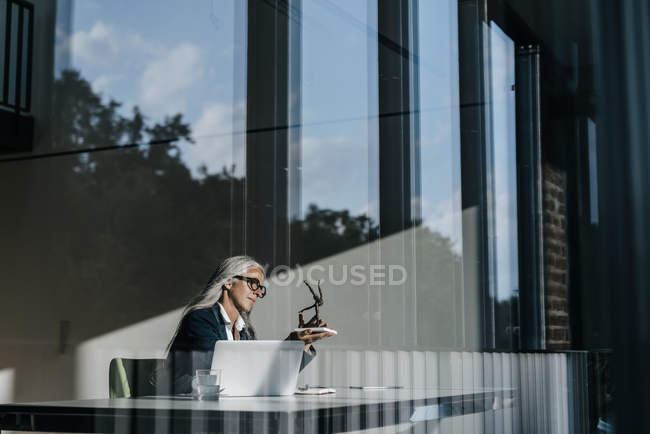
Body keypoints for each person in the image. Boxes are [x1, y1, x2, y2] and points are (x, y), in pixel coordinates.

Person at [162, 255, 334, 394]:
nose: (258, 292)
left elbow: (262, 374)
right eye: (253, 283)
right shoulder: (201, 319)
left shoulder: (245, 329)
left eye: (261, 288)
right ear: (229, 282)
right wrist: (290, 344)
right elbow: (224, 372)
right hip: (187, 409)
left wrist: (300, 344)